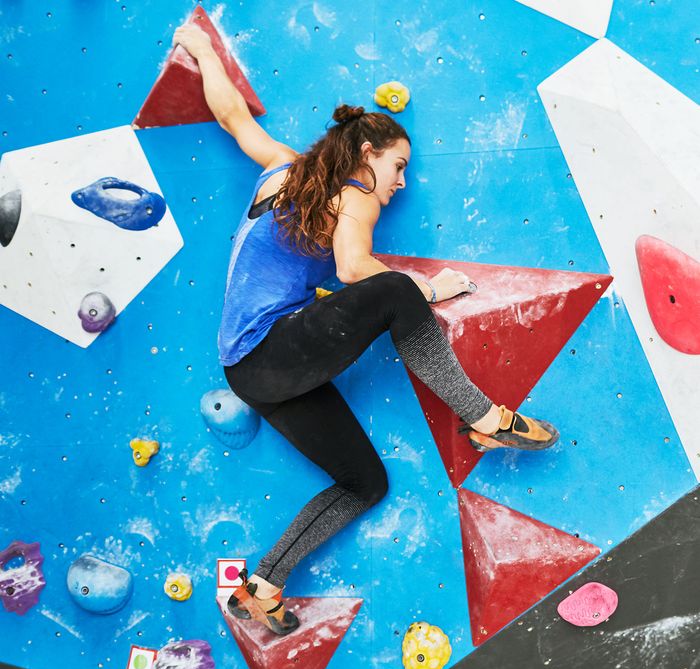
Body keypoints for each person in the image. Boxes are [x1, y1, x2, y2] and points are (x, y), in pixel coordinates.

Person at [174, 24, 559, 636]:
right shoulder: (355, 193)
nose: (401, 182)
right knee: (394, 288)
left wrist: (197, 49)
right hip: (273, 351)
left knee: (363, 483)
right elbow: (355, 269)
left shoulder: (283, 169)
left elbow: (231, 118)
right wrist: (430, 290)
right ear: (365, 156)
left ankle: (262, 587)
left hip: (253, 373)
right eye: (398, 165)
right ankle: (484, 417)